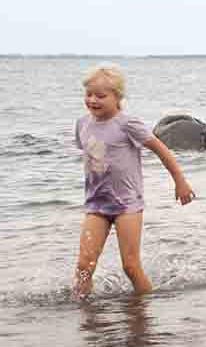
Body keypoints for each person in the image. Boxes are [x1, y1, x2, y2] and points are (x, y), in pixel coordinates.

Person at [73, 66, 195, 298]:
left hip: (127, 205)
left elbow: (162, 150)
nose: (92, 100)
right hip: (96, 204)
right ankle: (83, 314)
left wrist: (180, 182)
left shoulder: (127, 124)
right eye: (89, 94)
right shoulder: (82, 124)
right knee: (84, 266)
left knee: (130, 266)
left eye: (101, 96)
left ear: (118, 97)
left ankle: (144, 309)